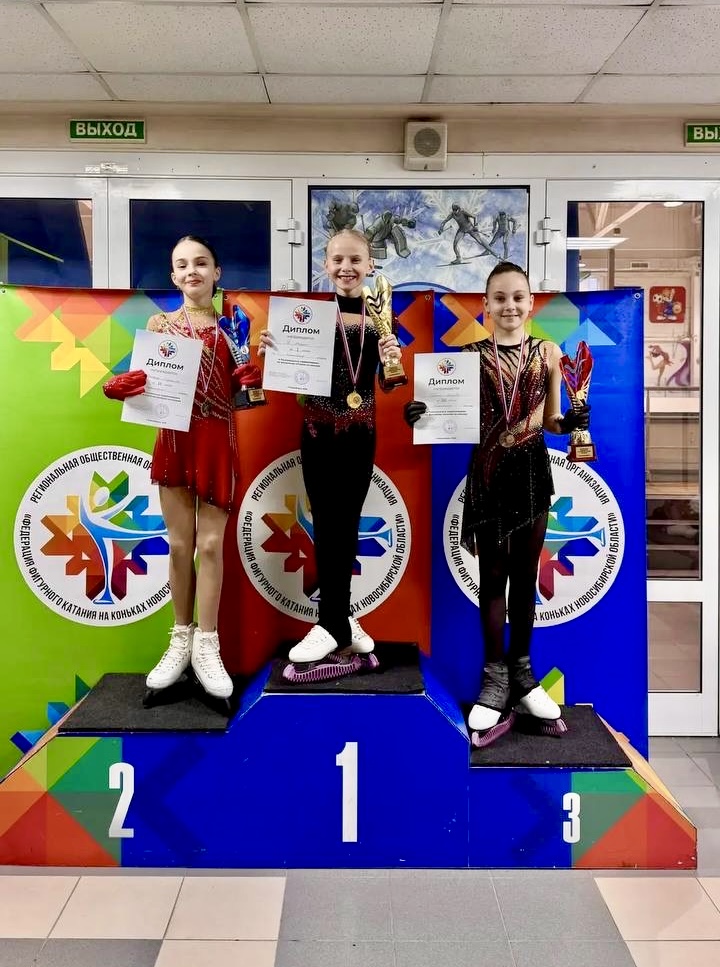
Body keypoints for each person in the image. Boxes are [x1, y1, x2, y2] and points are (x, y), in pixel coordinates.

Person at [404, 262, 590, 746]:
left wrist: (572, 423)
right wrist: (420, 412)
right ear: (485, 305)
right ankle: (494, 677)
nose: (510, 306)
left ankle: (524, 675)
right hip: (487, 474)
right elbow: (444, 416)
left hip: (531, 474)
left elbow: (551, 422)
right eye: (500, 298)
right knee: (492, 579)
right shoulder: (468, 358)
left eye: (518, 297)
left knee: (526, 578)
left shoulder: (549, 353)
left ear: (532, 303)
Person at [103, 236, 261, 705]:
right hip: (174, 441)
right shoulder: (160, 324)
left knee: (210, 545)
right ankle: (179, 638)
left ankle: (207, 645)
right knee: (178, 544)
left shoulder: (234, 327)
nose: (192, 271)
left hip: (216, 442)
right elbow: (147, 386)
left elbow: (244, 398)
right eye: (182, 265)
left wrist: (252, 378)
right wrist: (121, 387)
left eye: (201, 263)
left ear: (217, 273)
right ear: (173, 276)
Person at [258, 229, 403, 683]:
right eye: (337, 259)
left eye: (356, 259)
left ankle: (335, 620)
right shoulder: (311, 316)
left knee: (347, 525)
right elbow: (291, 378)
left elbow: (388, 383)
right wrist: (272, 351)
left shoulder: (382, 317)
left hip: (361, 434)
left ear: (370, 265)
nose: (346, 267)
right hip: (318, 433)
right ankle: (337, 621)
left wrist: (392, 356)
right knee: (325, 525)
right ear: (324, 264)